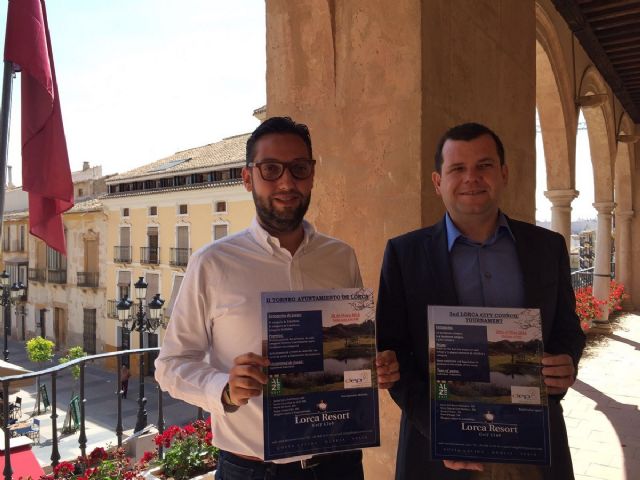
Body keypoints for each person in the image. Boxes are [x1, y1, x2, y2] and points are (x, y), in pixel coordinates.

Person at [155, 116, 399, 480]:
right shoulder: (213, 263)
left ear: (312, 175)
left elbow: (349, 344)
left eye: (299, 168)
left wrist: (375, 364)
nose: (287, 182)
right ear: (247, 178)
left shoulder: (341, 257)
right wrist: (224, 389)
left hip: (340, 464)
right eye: (271, 169)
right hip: (253, 471)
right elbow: (170, 365)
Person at [376, 122, 586, 480]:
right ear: (438, 182)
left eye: (484, 165)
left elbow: (568, 329)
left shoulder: (547, 248)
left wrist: (567, 360)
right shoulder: (404, 254)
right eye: (457, 168)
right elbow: (394, 353)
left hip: (531, 447)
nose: (471, 178)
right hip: (438, 454)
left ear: (503, 174)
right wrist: (440, 430)